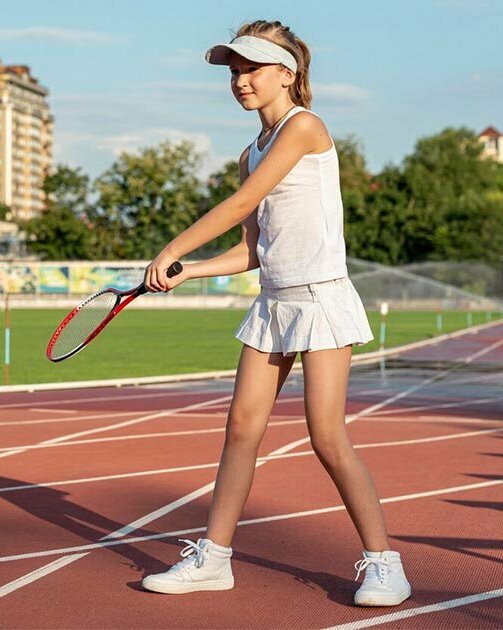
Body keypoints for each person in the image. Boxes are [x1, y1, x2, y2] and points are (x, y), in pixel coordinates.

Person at [140, 19, 411, 607]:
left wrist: (174, 248)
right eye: (235, 72)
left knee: (326, 435)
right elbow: (248, 248)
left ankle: (385, 563)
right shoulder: (251, 151)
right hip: (274, 302)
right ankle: (213, 559)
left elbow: (244, 201)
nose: (241, 81)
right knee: (241, 429)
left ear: (287, 74)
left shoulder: (304, 127)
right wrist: (190, 271)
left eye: (252, 68)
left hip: (319, 298)